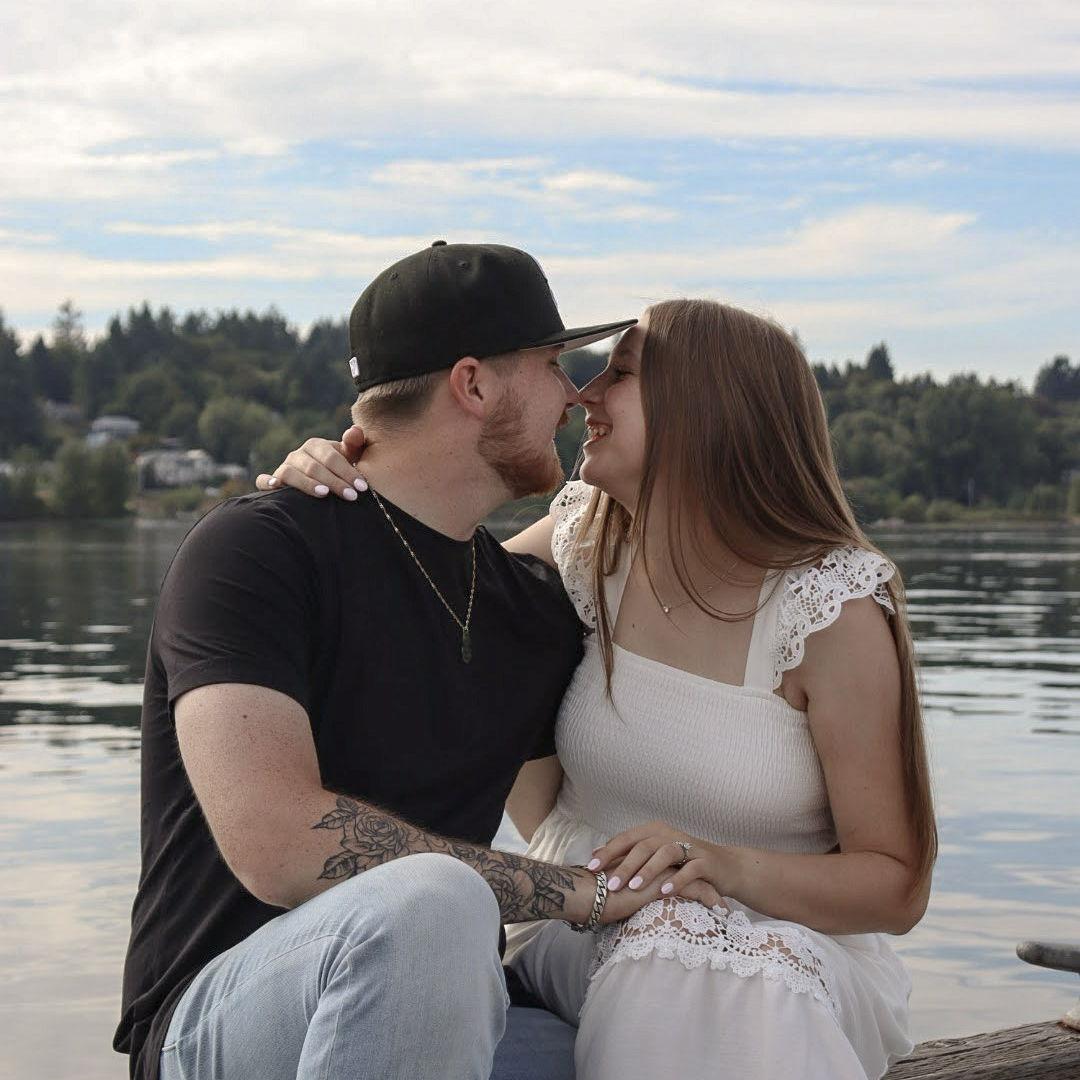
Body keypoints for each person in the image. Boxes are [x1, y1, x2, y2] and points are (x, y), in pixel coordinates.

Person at [263, 298, 937, 1079]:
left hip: (792, 947)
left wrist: (719, 866)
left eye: (621, 374)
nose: (584, 394)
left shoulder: (832, 608)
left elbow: (895, 885)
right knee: (672, 951)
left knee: (723, 973)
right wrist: (341, 482)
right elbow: (413, 592)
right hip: (580, 921)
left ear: (705, 407)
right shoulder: (583, 540)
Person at [114, 242, 725, 1080]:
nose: (574, 394)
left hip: (432, 1002)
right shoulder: (258, 551)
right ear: (473, 385)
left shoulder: (531, 612)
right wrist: (581, 895)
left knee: (637, 1046)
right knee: (436, 902)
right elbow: (279, 843)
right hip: (218, 1021)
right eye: (553, 364)